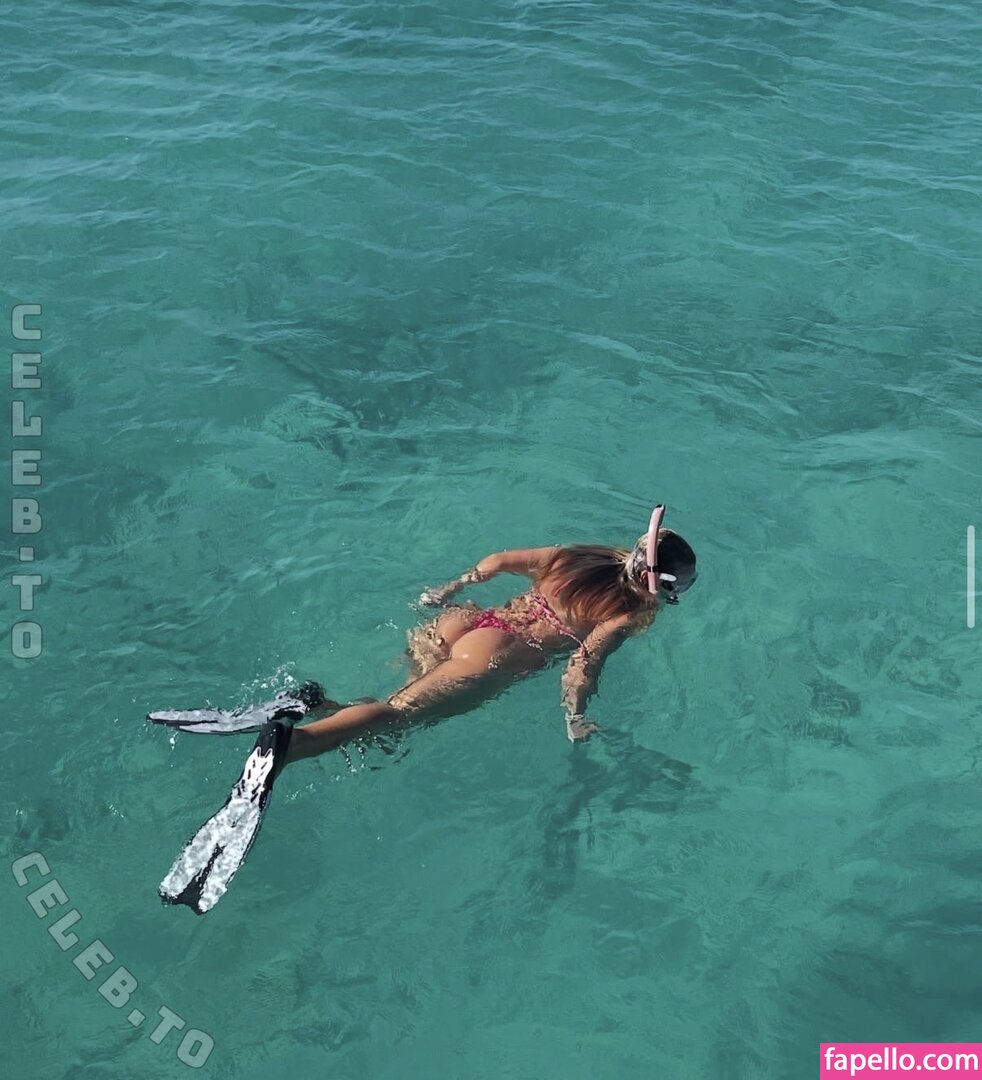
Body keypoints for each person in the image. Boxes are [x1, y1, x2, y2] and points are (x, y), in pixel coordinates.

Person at [151, 505, 697, 913]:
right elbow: (583, 664)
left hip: (464, 621)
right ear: (659, 585)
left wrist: (451, 588)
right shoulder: (627, 612)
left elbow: (499, 561)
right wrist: (574, 714)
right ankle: (291, 746)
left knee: (392, 705)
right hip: (497, 655)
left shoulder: (581, 555)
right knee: (396, 720)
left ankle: (317, 705)